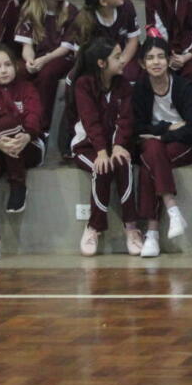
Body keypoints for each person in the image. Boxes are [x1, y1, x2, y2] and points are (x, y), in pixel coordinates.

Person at [133, 37, 192, 258]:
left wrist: (160, 135)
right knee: (153, 153)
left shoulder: (183, 87)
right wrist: (167, 127)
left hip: (182, 144)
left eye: (160, 57)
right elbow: (137, 128)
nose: (156, 62)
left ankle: (152, 234)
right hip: (155, 144)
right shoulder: (140, 89)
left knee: (150, 164)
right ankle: (172, 209)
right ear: (142, 63)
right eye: (150, 58)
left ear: (168, 60)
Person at [70, 38, 140, 257]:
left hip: (114, 145)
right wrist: (101, 151)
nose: (123, 60)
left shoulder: (124, 84)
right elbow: (90, 121)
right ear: (101, 63)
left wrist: (118, 146)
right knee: (101, 167)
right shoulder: (84, 84)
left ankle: (131, 226)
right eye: (117, 57)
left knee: (122, 162)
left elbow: (126, 119)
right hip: (86, 146)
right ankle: (94, 227)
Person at [0, 44, 43, 262]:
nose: (3, 70)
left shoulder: (28, 89)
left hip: (29, 146)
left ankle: (18, 183)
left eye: (7, 64)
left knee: (9, 123)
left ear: (16, 66)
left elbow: (35, 116)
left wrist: (27, 136)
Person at [14, 0, 77, 135]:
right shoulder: (30, 11)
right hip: (39, 56)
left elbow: (65, 48)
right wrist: (30, 61)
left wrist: (44, 60)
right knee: (19, 71)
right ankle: (18, 119)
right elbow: (27, 46)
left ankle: (41, 126)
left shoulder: (70, 11)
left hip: (62, 58)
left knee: (47, 73)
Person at [71, 0, 142, 84]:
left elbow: (133, 40)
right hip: (100, 64)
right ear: (103, 1)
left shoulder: (127, 6)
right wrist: (105, 68)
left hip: (125, 56)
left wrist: (121, 62)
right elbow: (79, 55)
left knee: (130, 75)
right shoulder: (85, 21)